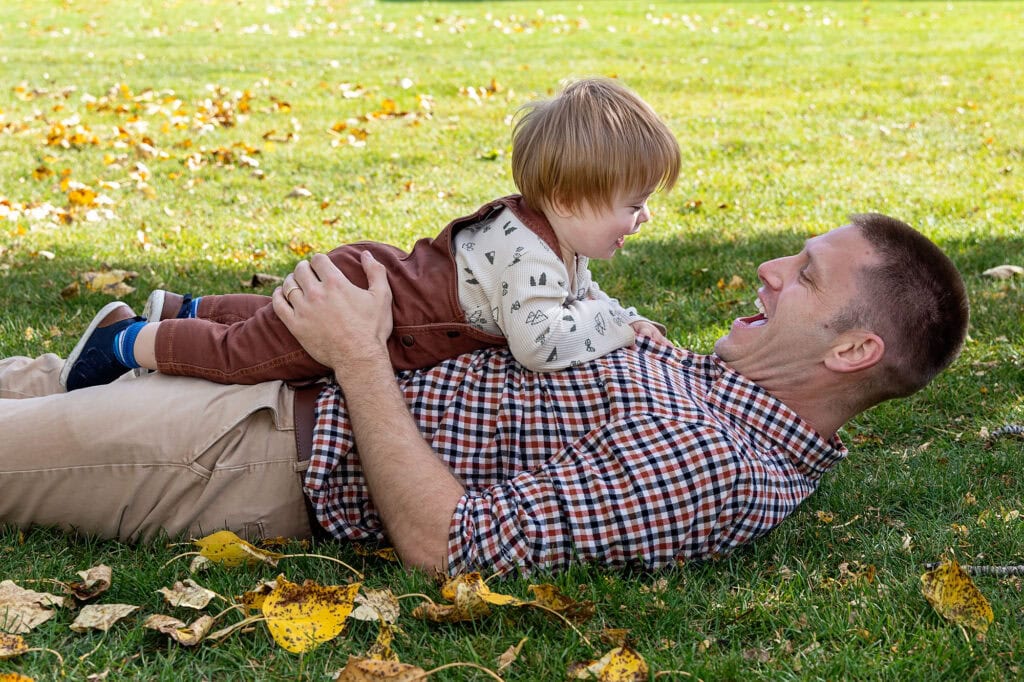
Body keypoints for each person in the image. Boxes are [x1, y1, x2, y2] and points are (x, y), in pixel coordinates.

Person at [0, 214, 969, 575]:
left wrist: (359, 356)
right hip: (259, 374)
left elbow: (453, 543)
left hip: (250, 447)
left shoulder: (714, 465)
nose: (765, 269)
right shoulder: (706, 384)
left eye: (801, 276)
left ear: (854, 352)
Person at [58, 76, 680, 391]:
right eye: (633, 203)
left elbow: (581, 304)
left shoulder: (555, 240)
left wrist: (622, 315)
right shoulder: (527, 254)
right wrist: (618, 330)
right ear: (570, 198)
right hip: (372, 312)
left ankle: (188, 307)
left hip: (371, 282)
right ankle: (127, 342)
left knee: (278, 321)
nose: (643, 217)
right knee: (254, 355)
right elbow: (540, 345)